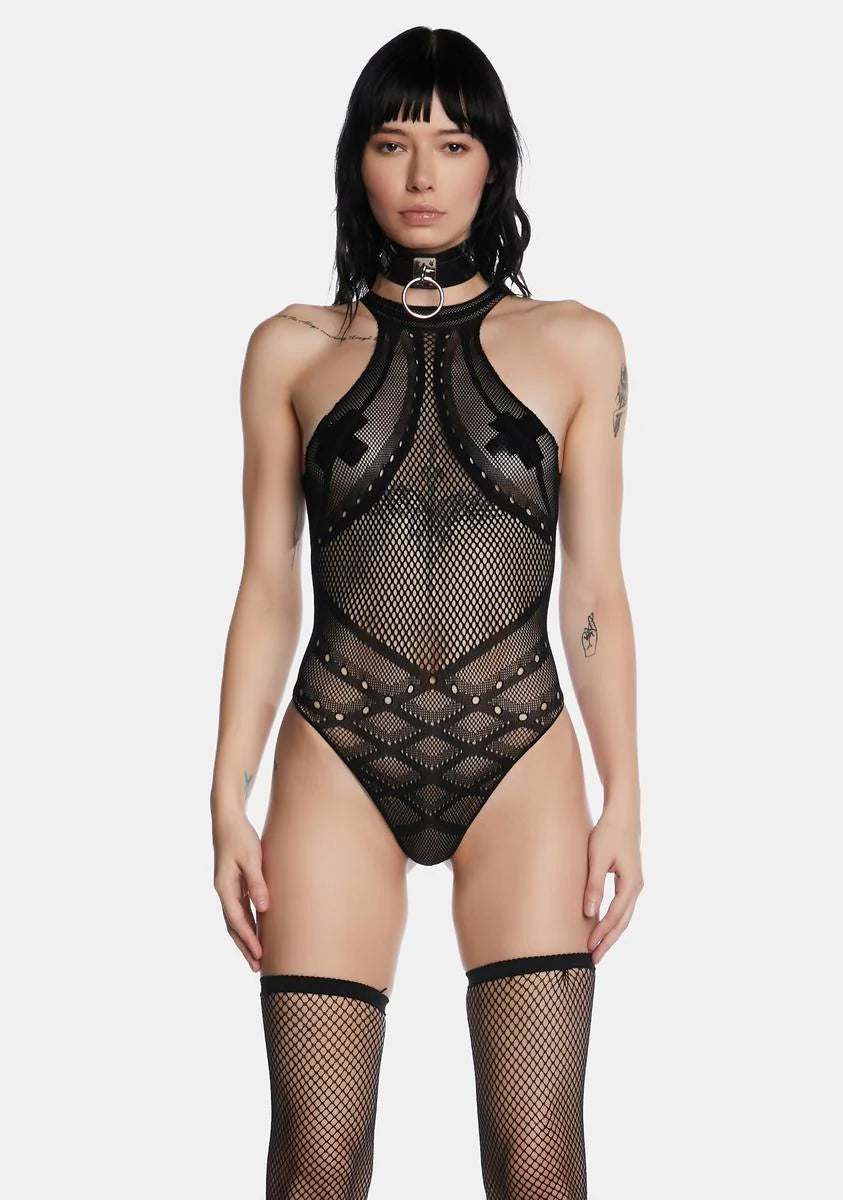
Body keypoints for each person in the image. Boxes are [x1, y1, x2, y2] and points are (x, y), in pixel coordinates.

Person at [210, 25, 644, 1200]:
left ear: (492, 164)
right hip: (337, 753)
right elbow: (267, 583)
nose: (420, 174)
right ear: (355, 157)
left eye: (452, 144)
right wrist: (226, 793)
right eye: (393, 142)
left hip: (522, 754)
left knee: (539, 1169)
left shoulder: (578, 344)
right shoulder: (289, 349)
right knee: (316, 1167)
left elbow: (596, 590)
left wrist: (624, 797)